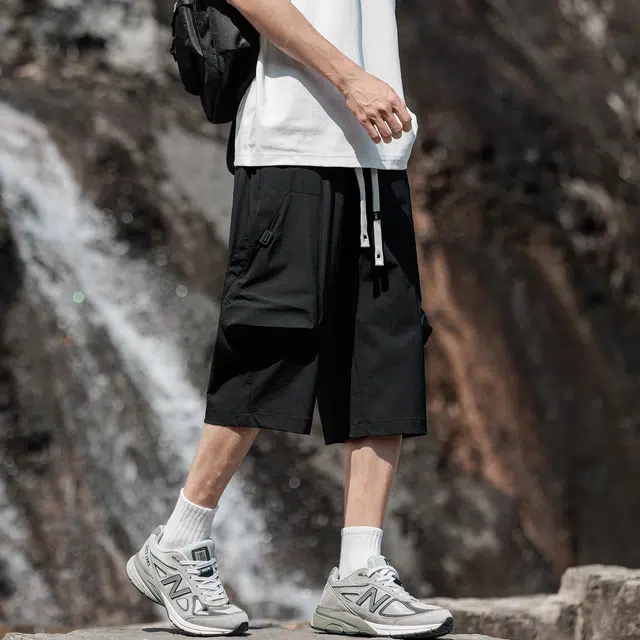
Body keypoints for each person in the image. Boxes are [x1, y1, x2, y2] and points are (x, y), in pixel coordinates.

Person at [127, 0, 453, 636]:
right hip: (290, 144)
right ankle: (178, 542)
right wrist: (350, 78)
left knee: (383, 353)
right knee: (269, 344)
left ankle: (359, 573)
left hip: (378, 153)